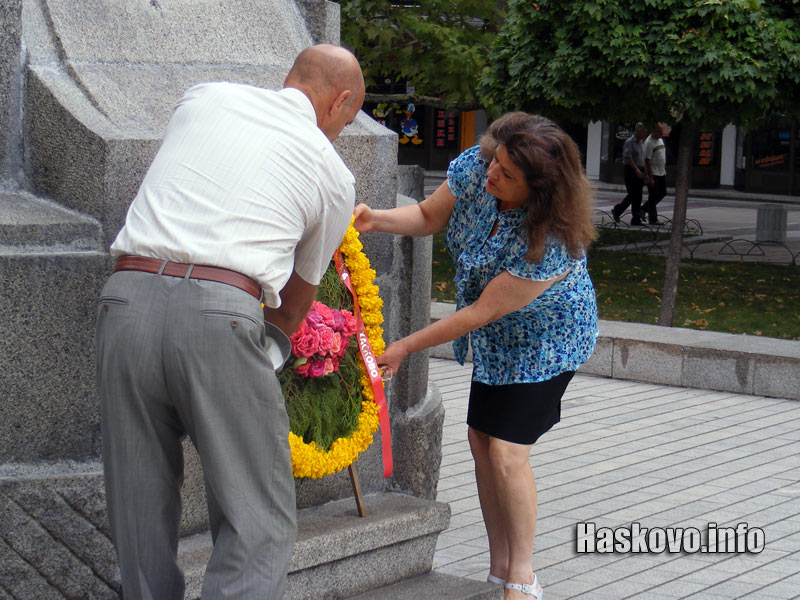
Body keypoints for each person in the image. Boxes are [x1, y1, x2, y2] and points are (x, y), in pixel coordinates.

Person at [95, 44, 364, 600]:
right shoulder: (332, 172)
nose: (342, 129)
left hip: (124, 301)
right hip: (223, 313)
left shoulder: (204, 98)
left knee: (138, 505)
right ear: (339, 102)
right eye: (349, 117)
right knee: (258, 517)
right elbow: (292, 308)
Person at [353, 113, 598, 600]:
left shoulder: (552, 242)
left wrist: (403, 346)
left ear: (540, 191)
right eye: (497, 161)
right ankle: (499, 566)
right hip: (498, 341)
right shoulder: (476, 166)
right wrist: (373, 219)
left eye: (508, 175)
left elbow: (480, 312)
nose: (493, 175)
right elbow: (426, 216)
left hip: (547, 342)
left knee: (507, 452)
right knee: (481, 441)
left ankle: (523, 578)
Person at [611, 122, 647, 225]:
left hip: (640, 169)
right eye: (643, 132)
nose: (645, 134)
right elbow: (628, 157)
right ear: (638, 131)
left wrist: (645, 172)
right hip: (631, 170)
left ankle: (635, 219)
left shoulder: (641, 142)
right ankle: (618, 210)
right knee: (632, 194)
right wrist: (636, 170)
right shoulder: (630, 142)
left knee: (638, 195)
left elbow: (641, 158)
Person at [641, 123, 667, 225]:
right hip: (654, 172)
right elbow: (647, 160)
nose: (661, 133)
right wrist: (649, 177)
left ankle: (643, 209)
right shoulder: (648, 143)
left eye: (662, 131)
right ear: (654, 131)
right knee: (653, 195)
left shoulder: (660, 140)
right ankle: (653, 218)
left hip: (661, 171)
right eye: (659, 131)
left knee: (662, 193)